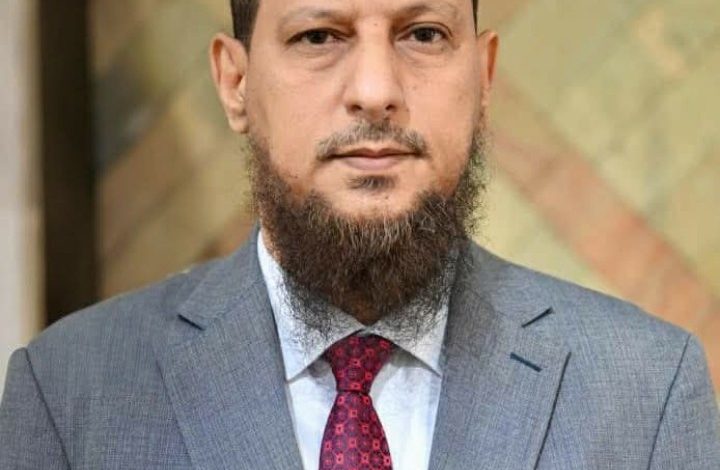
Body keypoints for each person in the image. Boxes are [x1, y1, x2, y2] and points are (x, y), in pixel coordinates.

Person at [1, 0, 719, 468]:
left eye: (423, 34)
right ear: (234, 83)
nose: (376, 90)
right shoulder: (69, 393)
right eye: (319, 36)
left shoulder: (646, 390)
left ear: (484, 76)